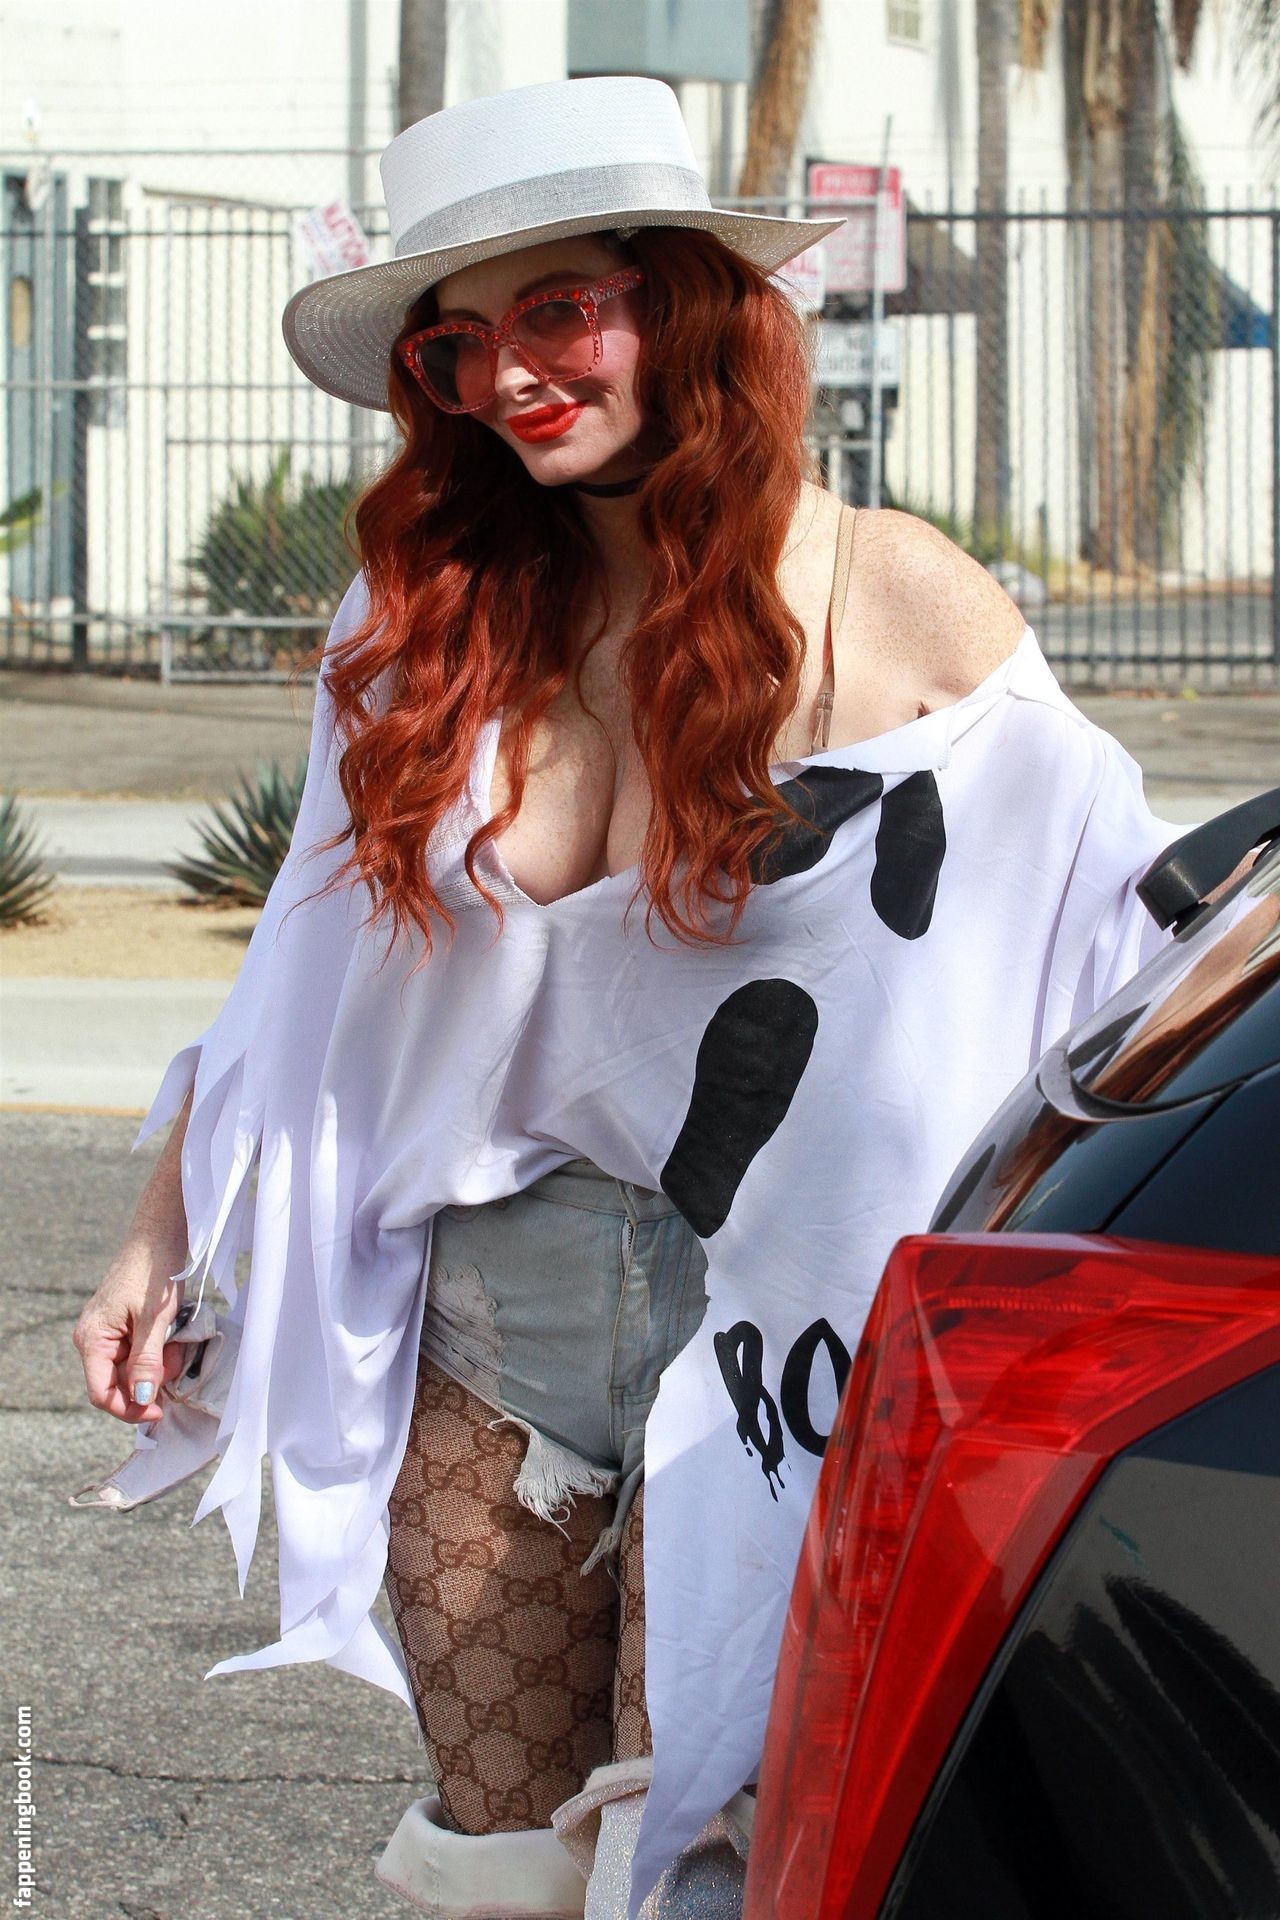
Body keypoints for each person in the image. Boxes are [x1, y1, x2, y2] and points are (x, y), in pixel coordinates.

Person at [70, 76, 1196, 1920]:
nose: (509, 374)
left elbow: (1128, 943)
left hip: (775, 1335)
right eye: (456, 346)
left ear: (681, 306)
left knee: (705, 1871)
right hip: (487, 1326)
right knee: (502, 1865)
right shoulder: (426, 623)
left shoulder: (889, 597)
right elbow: (302, 967)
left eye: (556, 309)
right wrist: (161, 1225)